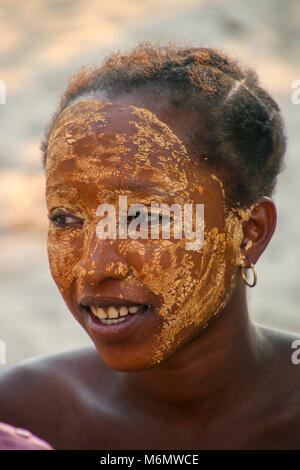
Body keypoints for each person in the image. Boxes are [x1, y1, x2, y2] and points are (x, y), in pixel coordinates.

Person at [0, 44, 299, 450]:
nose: (93, 267)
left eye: (142, 217)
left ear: (247, 233)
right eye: (66, 218)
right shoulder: (19, 416)